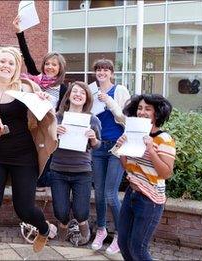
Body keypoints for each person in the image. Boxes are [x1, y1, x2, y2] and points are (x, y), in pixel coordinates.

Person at [0, 47, 58, 253]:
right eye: (3, 61)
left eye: (11, 63)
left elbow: (45, 116)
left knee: (25, 210)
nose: (6, 66)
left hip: (24, 156)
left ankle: (43, 229)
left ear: (16, 68)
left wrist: (44, 103)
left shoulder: (27, 87)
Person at [115, 94, 176, 260]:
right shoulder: (133, 133)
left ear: (157, 113)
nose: (142, 112)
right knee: (123, 243)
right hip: (132, 193)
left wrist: (150, 149)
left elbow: (166, 173)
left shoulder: (164, 139)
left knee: (138, 248)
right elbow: (128, 167)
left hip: (150, 199)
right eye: (140, 108)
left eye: (148, 109)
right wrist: (121, 149)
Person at [13, 15, 68, 189]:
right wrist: (19, 32)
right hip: (31, 126)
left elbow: (64, 112)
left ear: (60, 68)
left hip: (50, 128)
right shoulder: (35, 80)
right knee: (29, 158)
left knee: (46, 160)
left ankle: (42, 185)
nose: (50, 67)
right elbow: (27, 55)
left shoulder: (64, 88)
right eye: (47, 64)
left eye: (54, 65)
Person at [49, 81, 101, 246]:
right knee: (61, 211)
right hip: (58, 169)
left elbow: (97, 145)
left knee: (80, 211)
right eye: (75, 91)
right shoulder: (57, 118)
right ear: (69, 95)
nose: (78, 95)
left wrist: (93, 137)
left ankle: (83, 224)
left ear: (86, 99)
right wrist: (54, 133)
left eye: (82, 93)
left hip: (82, 171)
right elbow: (47, 144)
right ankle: (63, 225)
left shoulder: (92, 119)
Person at [90, 58, 130, 254]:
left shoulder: (120, 91)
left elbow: (127, 119)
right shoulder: (91, 91)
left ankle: (121, 235)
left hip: (116, 147)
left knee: (110, 194)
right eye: (98, 69)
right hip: (97, 146)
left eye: (106, 69)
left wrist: (110, 102)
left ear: (112, 73)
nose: (102, 72)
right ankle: (101, 230)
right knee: (98, 194)